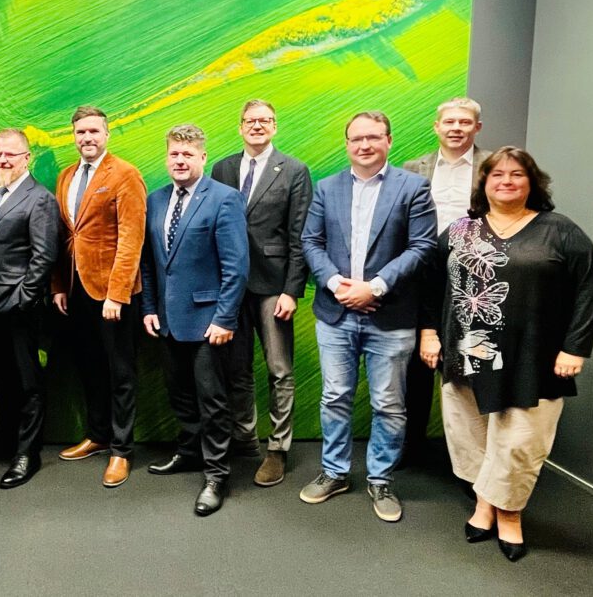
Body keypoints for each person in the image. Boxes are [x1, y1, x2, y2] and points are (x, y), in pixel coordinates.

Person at [419, 147, 593, 561]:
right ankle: (486, 504)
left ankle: (510, 513)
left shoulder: (560, 231)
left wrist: (575, 348)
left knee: (521, 441)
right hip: (468, 351)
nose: (506, 181)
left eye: (517, 174)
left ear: (532, 182)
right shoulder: (461, 230)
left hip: (534, 355)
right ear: (484, 183)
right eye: (497, 174)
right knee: (471, 433)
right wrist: (430, 333)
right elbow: (432, 285)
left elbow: (589, 290)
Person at [299, 111, 437, 522]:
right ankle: (335, 472)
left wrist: (374, 287)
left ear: (388, 141)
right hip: (335, 313)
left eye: (373, 137)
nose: (364, 145)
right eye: (356, 138)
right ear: (347, 144)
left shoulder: (413, 187)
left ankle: (381, 479)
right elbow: (311, 241)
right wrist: (335, 284)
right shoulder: (327, 187)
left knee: (389, 403)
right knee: (334, 397)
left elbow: (422, 246)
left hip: (390, 316)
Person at [142, 124, 248, 516]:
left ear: (203, 157)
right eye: (174, 154)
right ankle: (189, 452)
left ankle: (216, 475)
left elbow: (236, 267)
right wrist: (149, 308)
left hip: (209, 322)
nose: (180, 160)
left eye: (188, 154)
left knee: (212, 400)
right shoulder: (155, 200)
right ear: (166, 157)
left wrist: (225, 318)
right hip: (167, 320)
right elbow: (150, 264)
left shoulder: (224, 199)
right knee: (180, 394)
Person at [210, 98, 313, 486]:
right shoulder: (222, 168)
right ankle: (245, 439)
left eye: (265, 120)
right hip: (230, 286)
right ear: (240, 127)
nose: (257, 125)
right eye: (250, 120)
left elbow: (300, 235)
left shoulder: (295, 170)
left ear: (274, 126)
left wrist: (292, 291)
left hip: (273, 286)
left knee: (279, 370)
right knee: (236, 369)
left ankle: (278, 448)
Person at [51, 106, 147, 487]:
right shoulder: (66, 176)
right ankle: (98, 435)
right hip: (77, 292)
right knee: (90, 366)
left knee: (120, 372)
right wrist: (59, 285)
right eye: (80, 132)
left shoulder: (125, 174)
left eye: (93, 131)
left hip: (112, 295)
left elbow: (131, 240)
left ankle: (121, 450)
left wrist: (117, 294)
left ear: (107, 134)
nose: (87, 138)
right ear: (73, 136)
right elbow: (64, 236)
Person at [402, 97, 491, 464]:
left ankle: (474, 458)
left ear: (477, 128)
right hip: (422, 273)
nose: (456, 128)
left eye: (464, 122)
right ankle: (411, 446)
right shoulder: (413, 168)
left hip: (475, 278)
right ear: (437, 126)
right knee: (416, 366)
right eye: (449, 122)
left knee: (470, 364)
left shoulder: (492, 166)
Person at [0, 129, 59, 489]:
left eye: (9, 154)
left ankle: (28, 453)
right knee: (2, 377)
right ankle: (6, 441)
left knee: (28, 383)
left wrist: (22, 299)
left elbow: (44, 257)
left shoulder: (39, 199)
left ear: (26, 158)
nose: (2, 160)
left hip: (20, 309)